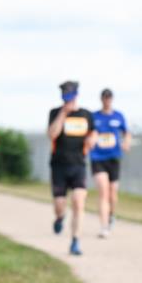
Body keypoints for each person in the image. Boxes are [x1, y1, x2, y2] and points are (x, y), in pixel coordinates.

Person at [48, 81, 96, 255]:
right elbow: (52, 134)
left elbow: (94, 133)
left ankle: (75, 241)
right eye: (65, 97)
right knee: (60, 204)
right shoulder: (54, 113)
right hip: (59, 166)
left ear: (76, 95)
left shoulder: (86, 115)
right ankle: (60, 217)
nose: (68, 100)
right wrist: (63, 114)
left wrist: (93, 140)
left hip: (78, 165)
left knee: (78, 201)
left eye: (70, 97)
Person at [89, 88, 129, 238]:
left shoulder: (118, 116)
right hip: (98, 158)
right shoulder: (94, 117)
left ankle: (112, 214)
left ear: (112, 99)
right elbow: (89, 133)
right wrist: (90, 140)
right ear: (101, 99)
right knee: (103, 191)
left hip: (113, 157)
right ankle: (104, 226)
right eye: (104, 97)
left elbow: (127, 132)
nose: (107, 100)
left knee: (113, 194)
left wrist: (126, 142)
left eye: (109, 97)